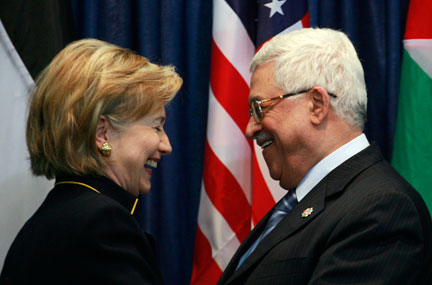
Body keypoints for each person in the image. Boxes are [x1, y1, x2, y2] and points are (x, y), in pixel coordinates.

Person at [218, 28, 432, 284]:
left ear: (317, 105)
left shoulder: (381, 208)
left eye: (259, 108)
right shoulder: (306, 200)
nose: (250, 128)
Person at [0, 39, 182, 284]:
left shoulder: (60, 216)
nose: (166, 145)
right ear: (102, 133)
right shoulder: (101, 224)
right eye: (156, 126)